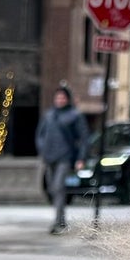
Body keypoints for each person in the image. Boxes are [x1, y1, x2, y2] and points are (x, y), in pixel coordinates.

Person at [35, 84, 90, 235]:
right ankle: (62, 219)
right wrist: (42, 150)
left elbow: (84, 138)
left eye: (62, 98)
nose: (59, 100)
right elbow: (40, 134)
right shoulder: (49, 115)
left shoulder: (75, 115)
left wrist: (81, 158)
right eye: (57, 97)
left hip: (65, 157)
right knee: (53, 189)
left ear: (67, 99)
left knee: (59, 187)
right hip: (49, 157)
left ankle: (58, 222)